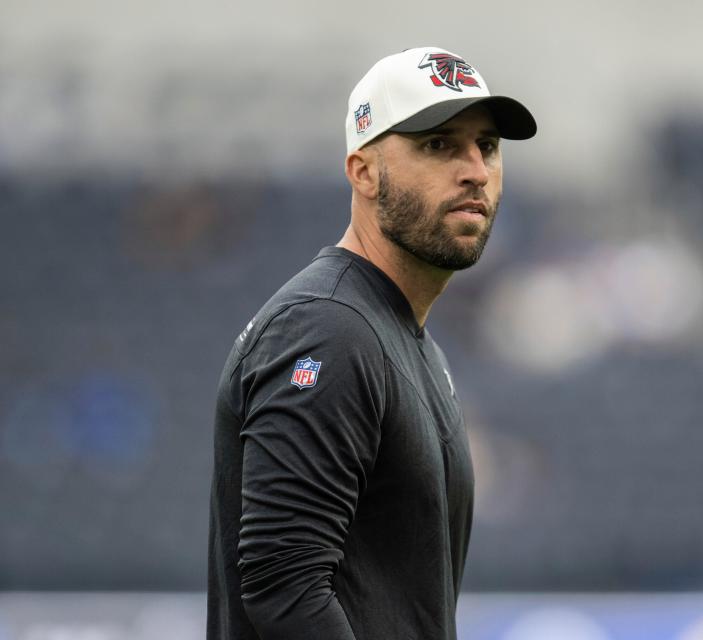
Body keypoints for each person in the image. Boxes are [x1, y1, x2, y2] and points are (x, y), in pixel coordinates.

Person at [207, 46, 537, 640]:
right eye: (438, 144)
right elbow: (286, 588)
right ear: (364, 171)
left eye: (486, 146)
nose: (475, 170)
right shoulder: (327, 329)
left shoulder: (404, 340)